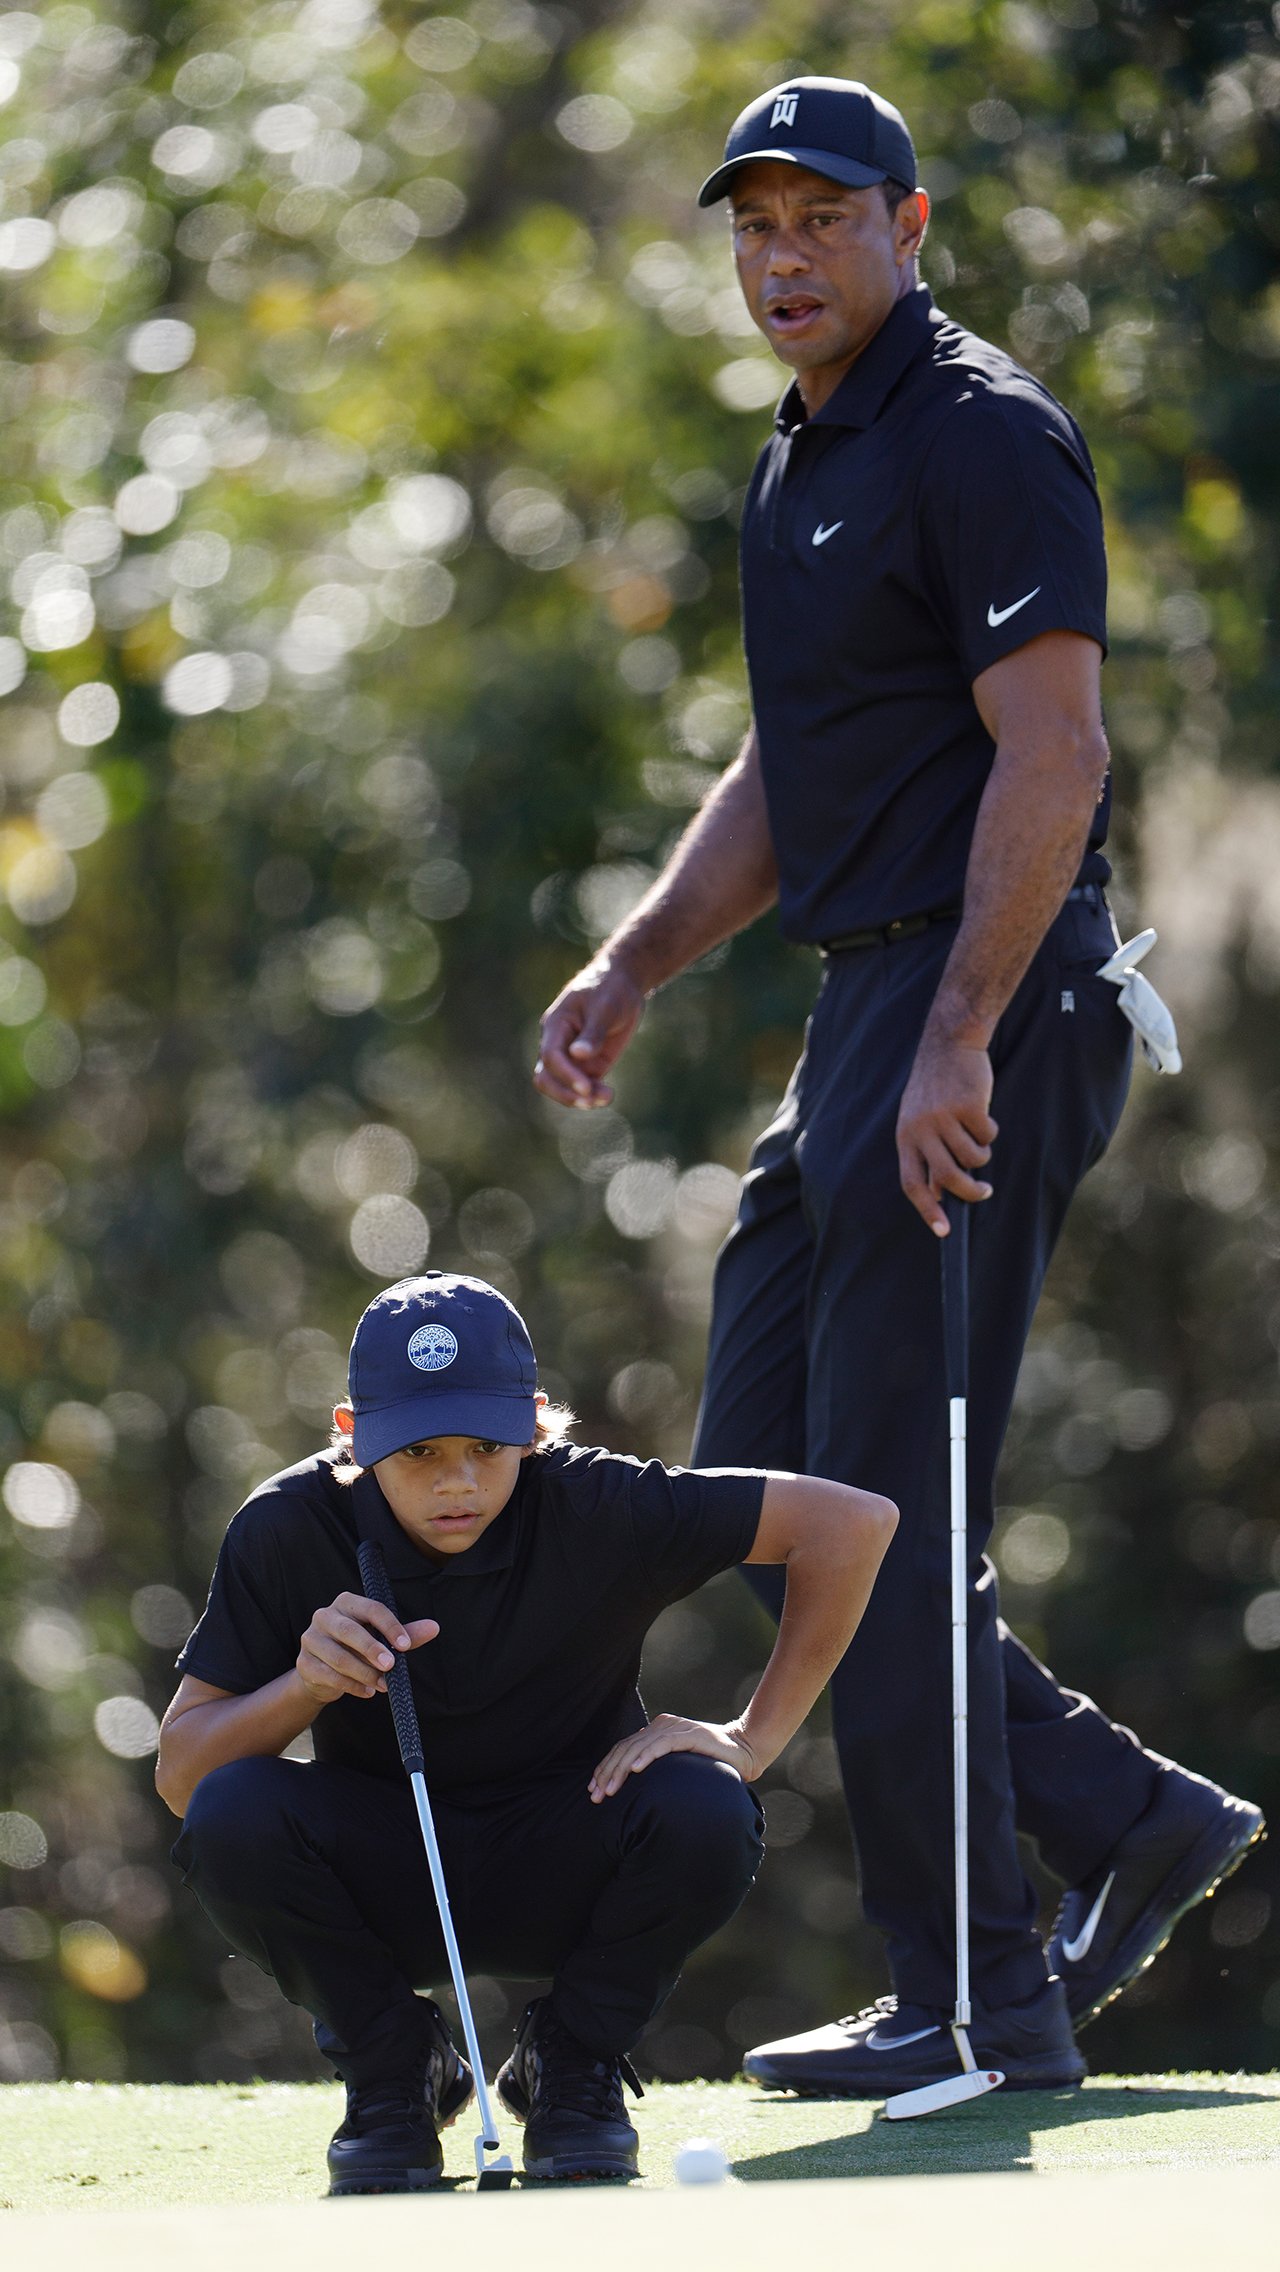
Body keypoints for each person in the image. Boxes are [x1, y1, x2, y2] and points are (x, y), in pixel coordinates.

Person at [534, 77, 1263, 2097]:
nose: (781, 258)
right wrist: (635, 960)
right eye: (752, 226)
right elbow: (792, 768)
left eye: (820, 219)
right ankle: (1126, 1817)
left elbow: (1056, 757)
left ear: (908, 224)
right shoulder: (801, 450)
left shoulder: (978, 434)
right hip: (864, 1017)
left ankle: (974, 1992)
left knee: (883, 1508)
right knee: (776, 1500)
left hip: (985, 1013)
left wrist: (955, 1038)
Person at [156, 1270, 896, 2187]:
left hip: (568, 1854)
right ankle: (394, 2070)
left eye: (487, 1447)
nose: (457, 1482)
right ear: (352, 1436)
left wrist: (753, 1738)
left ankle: (571, 2067)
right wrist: (302, 1688)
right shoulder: (284, 1526)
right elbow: (185, 1776)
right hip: (392, 1870)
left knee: (707, 1803)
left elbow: (852, 1525)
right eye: (419, 1452)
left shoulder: (602, 1503)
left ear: (537, 1424)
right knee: (235, 1809)